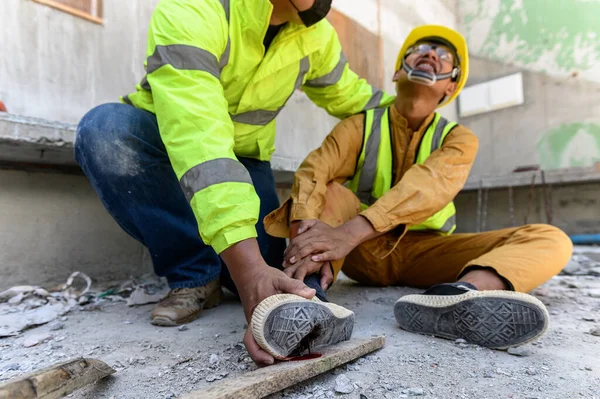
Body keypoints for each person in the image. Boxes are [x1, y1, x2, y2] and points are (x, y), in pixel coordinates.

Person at [74, 0, 393, 366]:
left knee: (270, 263)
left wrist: (417, 115)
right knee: (106, 132)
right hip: (166, 141)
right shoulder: (197, 8)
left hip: (246, 159)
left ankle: (235, 274)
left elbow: (355, 98)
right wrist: (248, 271)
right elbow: (199, 135)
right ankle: (194, 274)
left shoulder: (316, 36)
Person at [263, 25, 573, 350]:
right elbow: (314, 172)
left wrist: (346, 234)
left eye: (442, 56)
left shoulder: (458, 139)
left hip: (427, 253)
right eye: (420, 49)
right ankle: (308, 298)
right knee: (325, 192)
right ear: (398, 70)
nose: (429, 55)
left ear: (451, 85)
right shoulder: (360, 125)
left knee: (551, 238)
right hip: (360, 254)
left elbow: (428, 186)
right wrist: (305, 237)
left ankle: (458, 297)